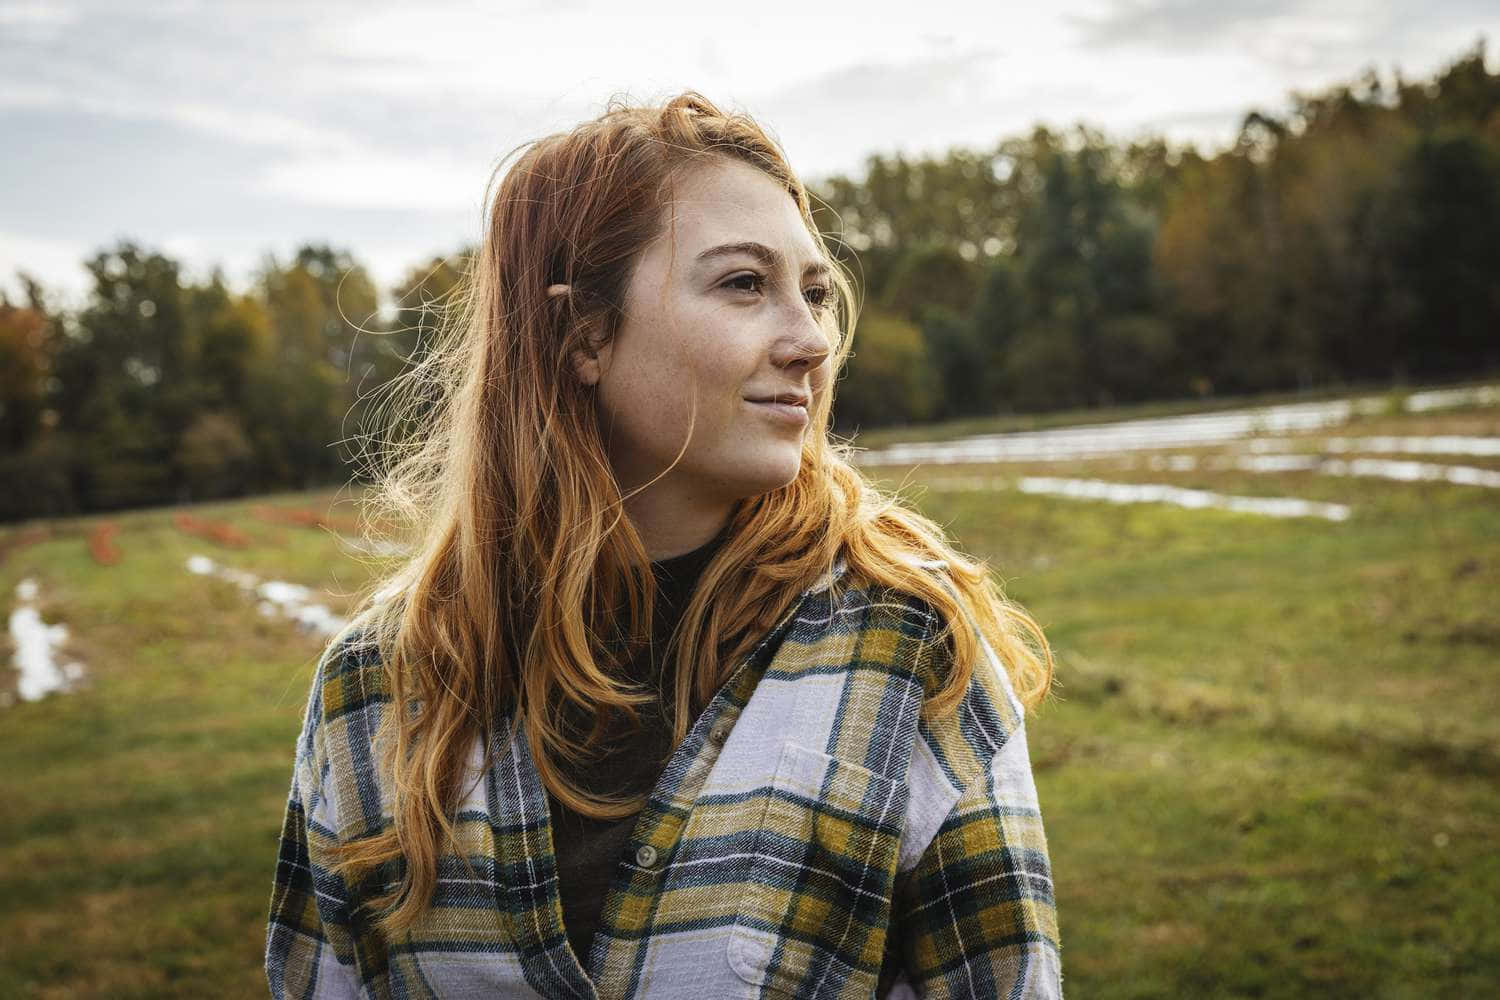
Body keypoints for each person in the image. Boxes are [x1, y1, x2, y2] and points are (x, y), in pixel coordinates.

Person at [265, 91, 1062, 999]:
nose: (810, 341)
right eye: (742, 284)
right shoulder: (376, 689)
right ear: (583, 335)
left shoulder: (906, 644)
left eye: (814, 292)